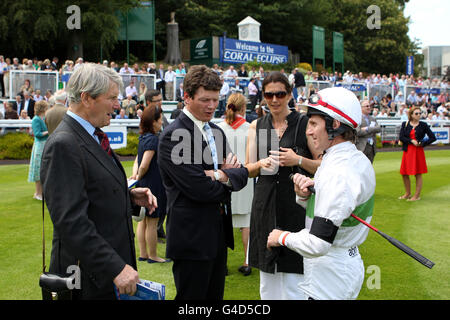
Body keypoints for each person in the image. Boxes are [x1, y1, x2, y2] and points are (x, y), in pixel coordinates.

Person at [40, 63, 158, 299]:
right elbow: (71, 221)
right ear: (86, 98)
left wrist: (128, 197)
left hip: (102, 276)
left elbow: (92, 191)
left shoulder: (91, 134)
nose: (118, 105)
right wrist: (115, 266)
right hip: (88, 281)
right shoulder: (65, 143)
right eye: (112, 98)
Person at [267, 87, 376, 300]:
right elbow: (337, 211)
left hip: (331, 271)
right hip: (337, 265)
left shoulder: (339, 171)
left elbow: (318, 242)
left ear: (334, 125)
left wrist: (282, 237)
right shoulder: (347, 159)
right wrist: (305, 196)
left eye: (314, 124)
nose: (309, 131)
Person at [158, 64, 249, 300]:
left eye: (215, 100)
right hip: (192, 236)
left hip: (217, 232)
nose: (211, 106)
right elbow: (200, 189)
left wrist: (218, 175)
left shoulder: (215, 131)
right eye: (205, 100)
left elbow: (241, 175)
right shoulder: (174, 135)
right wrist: (226, 175)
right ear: (186, 97)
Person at [246, 71, 321, 300]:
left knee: (295, 273)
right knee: (267, 279)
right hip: (265, 201)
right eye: (269, 95)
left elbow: (323, 165)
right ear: (263, 97)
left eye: (280, 94)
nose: (275, 100)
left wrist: (297, 160)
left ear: (289, 94)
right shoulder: (257, 125)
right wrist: (261, 163)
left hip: (295, 203)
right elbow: (248, 170)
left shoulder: (304, 123)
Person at [217, 93, 253, 276]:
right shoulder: (251, 129)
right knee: (246, 222)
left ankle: (222, 264)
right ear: (243, 108)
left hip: (227, 178)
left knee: (224, 223)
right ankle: (247, 261)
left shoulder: (218, 128)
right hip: (246, 177)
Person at [131, 106, 169, 264]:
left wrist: (136, 177)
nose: (161, 122)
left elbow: (137, 161)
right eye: (159, 119)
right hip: (153, 183)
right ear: (153, 122)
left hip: (143, 182)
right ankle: (153, 255)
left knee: (143, 221)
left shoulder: (143, 137)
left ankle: (144, 253)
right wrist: (139, 174)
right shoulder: (153, 139)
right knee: (152, 221)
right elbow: (144, 164)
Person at [398, 106, 436, 201]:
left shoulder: (423, 125)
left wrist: (422, 143)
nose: (419, 115)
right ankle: (407, 193)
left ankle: (417, 195)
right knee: (404, 173)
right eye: (416, 113)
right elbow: (401, 137)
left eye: (420, 113)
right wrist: (411, 141)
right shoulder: (405, 124)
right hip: (407, 151)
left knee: (418, 173)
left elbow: (433, 137)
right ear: (411, 114)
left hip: (418, 151)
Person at [28, 100, 49, 201]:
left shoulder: (44, 118)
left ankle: (41, 192)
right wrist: (48, 132)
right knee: (38, 169)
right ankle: (37, 193)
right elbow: (37, 134)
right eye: (46, 107)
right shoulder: (36, 119)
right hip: (39, 145)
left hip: (45, 145)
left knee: (44, 169)